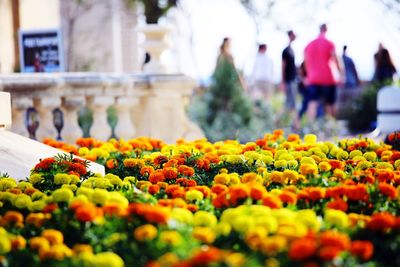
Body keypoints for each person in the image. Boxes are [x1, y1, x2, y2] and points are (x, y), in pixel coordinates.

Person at [304, 23, 341, 120]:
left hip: (313, 78)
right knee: (330, 103)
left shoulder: (309, 44)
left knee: (312, 102)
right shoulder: (329, 43)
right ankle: (332, 126)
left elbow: (306, 62)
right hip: (328, 78)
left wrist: (308, 76)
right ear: (326, 30)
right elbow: (336, 60)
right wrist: (341, 74)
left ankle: (309, 126)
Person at [281, 30, 297, 116]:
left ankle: (291, 122)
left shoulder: (292, 50)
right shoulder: (286, 51)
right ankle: (294, 124)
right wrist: (283, 81)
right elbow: (283, 66)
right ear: (290, 35)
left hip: (293, 79)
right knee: (291, 103)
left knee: (290, 102)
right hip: (289, 80)